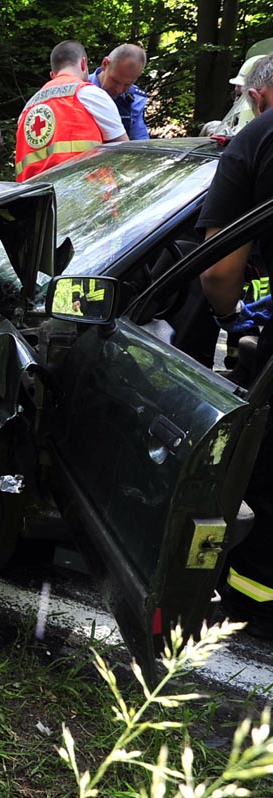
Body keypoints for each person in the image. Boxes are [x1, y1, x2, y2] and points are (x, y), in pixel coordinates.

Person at [197, 53, 273, 635]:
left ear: (262, 95)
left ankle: (254, 605)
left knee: (266, 476)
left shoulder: (255, 140)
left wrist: (233, 323)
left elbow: (218, 273)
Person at [15, 40, 129, 182]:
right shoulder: (89, 94)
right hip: (85, 198)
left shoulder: (26, 111)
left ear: (53, 75)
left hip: (36, 202)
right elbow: (125, 152)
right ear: (83, 63)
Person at [89, 44, 149, 140]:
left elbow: (141, 143)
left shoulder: (134, 100)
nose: (119, 90)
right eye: (115, 81)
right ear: (105, 64)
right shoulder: (79, 89)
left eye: (127, 84)